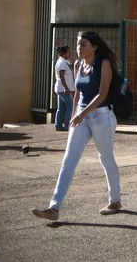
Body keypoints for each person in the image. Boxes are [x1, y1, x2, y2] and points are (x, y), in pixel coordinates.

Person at [32, 31, 122, 221]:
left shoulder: (103, 64)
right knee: (69, 160)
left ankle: (115, 200)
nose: (79, 48)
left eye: (83, 45)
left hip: (101, 117)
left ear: (94, 47)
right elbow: (76, 94)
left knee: (105, 158)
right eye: (78, 45)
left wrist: (82, 114)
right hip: (81, 118)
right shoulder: (78, 64)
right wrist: (74, 116)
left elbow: (102, 94)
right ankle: (54, 207)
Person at [54, 45, 76, 132]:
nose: (70, 53)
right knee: (71, 105)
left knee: (61, 107)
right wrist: (65, 88)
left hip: (62, 88)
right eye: (68, 52)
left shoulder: (65, 61)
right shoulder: (61, 63)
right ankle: (67, 125)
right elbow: (61, 77)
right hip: (63, 89)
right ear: (64, 53)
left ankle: (58, 126)